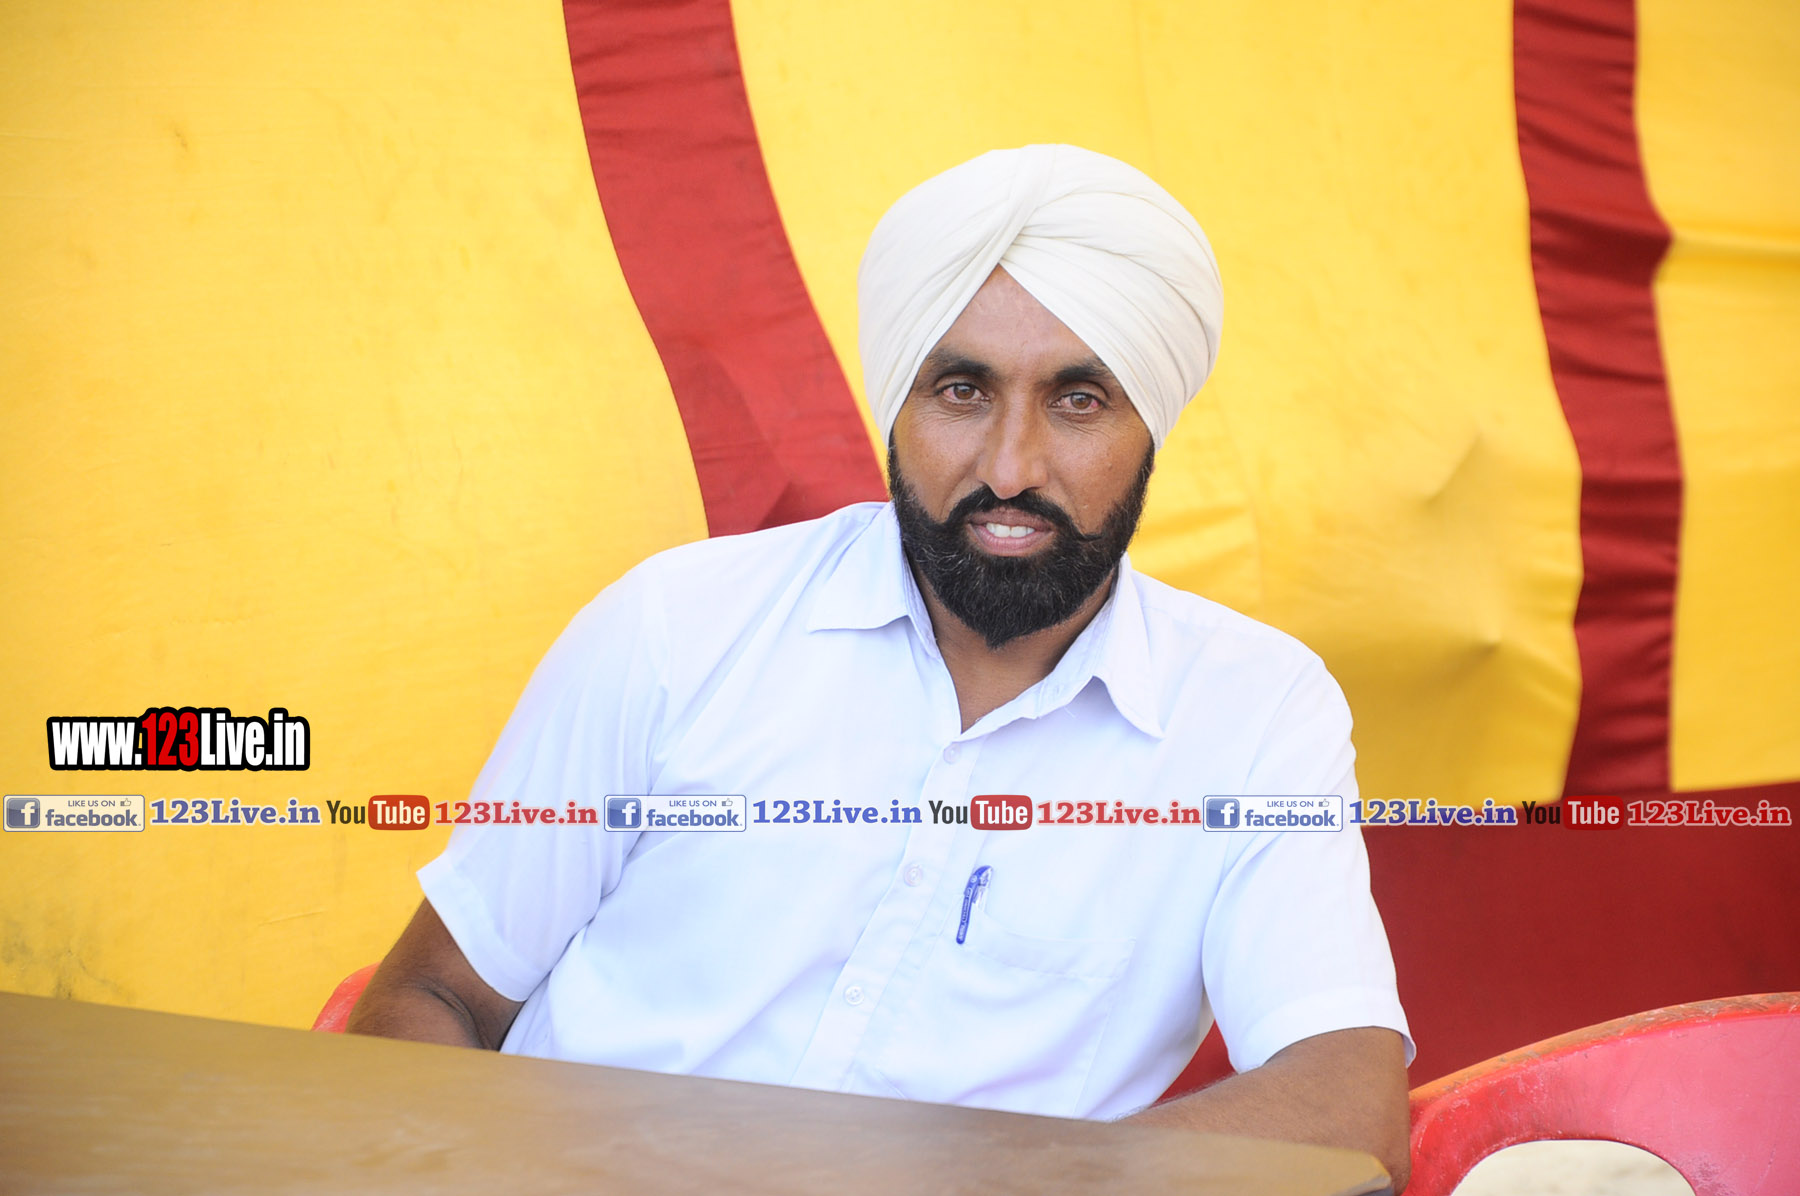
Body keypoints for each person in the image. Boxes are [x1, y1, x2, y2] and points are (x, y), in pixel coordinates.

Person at [350, 144, 1413, 1186]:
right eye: (961, 390)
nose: (1011, 467)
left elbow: (1345, 1102)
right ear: (896, 408)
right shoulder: (680, 625)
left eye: (1079, 399)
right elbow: (433, 998)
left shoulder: (1253, 713)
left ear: (1153, 430)